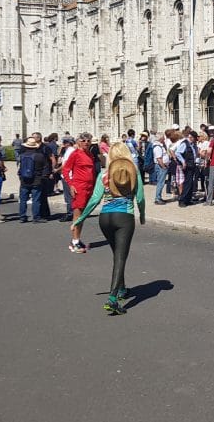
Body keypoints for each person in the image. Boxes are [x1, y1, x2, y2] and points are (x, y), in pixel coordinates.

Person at [74, 143, 145, 315]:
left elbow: (94, 199)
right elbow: (141, 198)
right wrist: (142, 215)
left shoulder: (104, 174)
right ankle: (113, 298)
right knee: (121, 257)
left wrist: (80, 219)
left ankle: (121, 289)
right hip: (124, 217)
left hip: (105, 218)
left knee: (116, 254)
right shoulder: (133, 172)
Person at [63, 133, 97, 251]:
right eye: (83, 140)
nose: (86, 142)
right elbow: (66, 170)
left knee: (83, 215)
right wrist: (71, 184)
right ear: (78, 142)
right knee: (77, 215)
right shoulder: (75, 154)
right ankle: (74, 241)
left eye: (88, 140)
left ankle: (77, 239)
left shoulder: (89, 154)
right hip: (79, 187)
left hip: (89, 187)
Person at [17, 137, 50, 223]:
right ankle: (36, 217)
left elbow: (19, 169)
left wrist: (21, 177)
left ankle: (22, 216)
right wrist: (43, 177)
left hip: (24, 180)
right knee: (36, 199)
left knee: (23, 200)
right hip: (37, 180)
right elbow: (46, 168)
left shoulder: (22, 156)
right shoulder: (40, 156)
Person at [175, 131, 200, 207]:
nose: (195, 140)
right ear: (191, 138)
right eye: (195, 139)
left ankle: (188, 200)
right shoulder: (184, 143)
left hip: (192, 165)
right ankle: (182, 200)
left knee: (191, 183)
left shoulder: (192, 144)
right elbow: (178, 153)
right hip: (187, 166)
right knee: (187, 183)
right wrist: (183, 162)